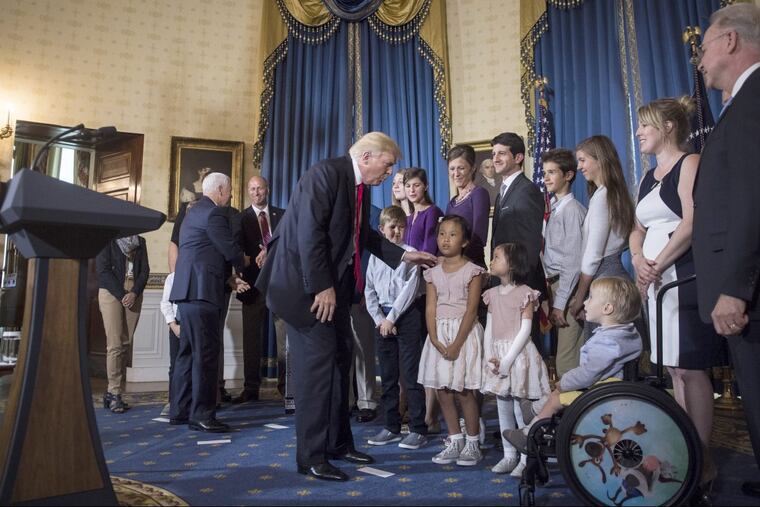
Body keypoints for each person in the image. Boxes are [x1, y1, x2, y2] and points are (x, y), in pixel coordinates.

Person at [255, 132, 437, 482]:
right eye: (387, 165)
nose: (390, 174)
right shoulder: (324, 174)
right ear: (367, 157)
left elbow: (361, 234)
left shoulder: (359, 185)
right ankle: (311, 456)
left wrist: (404, 254)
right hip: (303, 290)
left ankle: (338, 444)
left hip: (330, 288)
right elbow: (309, 234)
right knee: (317, 372)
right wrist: (321, 286)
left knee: (340, 361)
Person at [630, 96, 723, 490]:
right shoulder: (648, 175)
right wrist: (637, 258)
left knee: (690, 368)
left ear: (668, 126)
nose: (638, 134)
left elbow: (690, 221)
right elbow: (637, 228)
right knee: (671, 369)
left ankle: (704, 459)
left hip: (683, 276)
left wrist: (659, 263)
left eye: (645, 126)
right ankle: (686, 449)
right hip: (655, 283)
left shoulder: (691, 163)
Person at [692, 3, 760, 499]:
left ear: (731, 42)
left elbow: (753, 202)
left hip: (750, 291)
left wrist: (735, 287)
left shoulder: (755, 100)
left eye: (705, 47)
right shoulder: (743, 102)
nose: (700, 60)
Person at [503, 277, 643, 452]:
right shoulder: (626, 333)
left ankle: (528, 434)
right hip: (607, 386)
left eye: (590, 298)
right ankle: (532, 409)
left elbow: (588, 374)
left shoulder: (607, 342)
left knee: (557, 395)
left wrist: (564, 382)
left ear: (607, 308)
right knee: (561, 387)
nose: (585, 302)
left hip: (601, 391)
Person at [169, 172, 248, 433]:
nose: (232, 195)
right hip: (202, 292)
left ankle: (180, 410)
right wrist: (246, 261)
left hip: (187, 292)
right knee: (205, 354)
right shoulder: (214, 214)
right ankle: (202, 414)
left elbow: (207, 251)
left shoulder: (193, 212)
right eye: (230, 190)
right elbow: (228, 249)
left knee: (187, 353)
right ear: (221, 190)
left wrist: (229, 277)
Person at [417, 215, 485, 466]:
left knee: (464, 390)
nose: (446, 239)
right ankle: (454, 438)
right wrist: (433, 337)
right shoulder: (432, 273)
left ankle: (473, 442)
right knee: (442, 390)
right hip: (439, 335)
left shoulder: (473, 271)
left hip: (463, 335)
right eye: (442, 233)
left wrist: (457, 343)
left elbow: (471, 310)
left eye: (453, 234)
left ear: (465, 241)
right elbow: (430, 308)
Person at [482, 243, 550, 476]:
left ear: (512, 264)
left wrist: (508, 359)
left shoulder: (525, 293)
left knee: (520, 408)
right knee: (502, 405)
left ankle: (525, 456)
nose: (491, 261)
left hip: (517, 356)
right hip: (498, 355)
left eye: (497, 257)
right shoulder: (491, 294)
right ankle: (508, 455)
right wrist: (489, 355)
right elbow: (489, 328)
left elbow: (526, 329)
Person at [365, 205, 427, 450]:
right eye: (392, 227)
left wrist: (392, 318)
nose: (397, 231)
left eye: (402, 227)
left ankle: (418, 428)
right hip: (382, 320)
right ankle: (391, 426)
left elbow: (410, 292)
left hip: (406, 316)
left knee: (411, 376)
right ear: (381, 230)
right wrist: (380, 319)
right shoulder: (374, 256)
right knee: (388, 377)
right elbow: (369, 291)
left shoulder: (412, 254)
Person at [567, 136, 636, 337]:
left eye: (583, 160)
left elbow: (593, 255)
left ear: (600, 160)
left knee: (605, 355)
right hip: (614, 276)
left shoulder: (602, 197)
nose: (579, 167)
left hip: (604, 278)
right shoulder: (614, 194)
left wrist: (580, 297)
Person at [490, 133, 547, 357]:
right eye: (494, 154)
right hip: (504, 282)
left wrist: (518, 285)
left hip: (519, 283)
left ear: (519, 157)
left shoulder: (527, 191)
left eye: (502, 153)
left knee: (525, 348)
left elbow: (530, 244)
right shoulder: (502, 192)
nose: (495, 158)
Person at [234, 175, 285, 404]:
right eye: (252, 189)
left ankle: (286, 387)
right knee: (251, 340)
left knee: (284, 340)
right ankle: (250, 388)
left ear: (268, 189)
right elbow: (235, 251)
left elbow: (288, 245)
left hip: (280, 285)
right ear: (248, 191)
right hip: (252, 286)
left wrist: (270, 250)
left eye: (260, 189)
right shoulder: (240, 218)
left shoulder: (281, 215)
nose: (256, 193)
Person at [541, 149, 587, 376]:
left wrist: (560, 302)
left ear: (568, 175)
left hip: (567, 288)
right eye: (544, 173)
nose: (546, 178)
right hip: (553, 285)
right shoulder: (552, 208)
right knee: (565, 356)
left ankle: (572, 410)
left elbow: (572, 261)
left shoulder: (573, 211)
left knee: (567, 361)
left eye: (552, 172)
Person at [96, 235, 149, 413]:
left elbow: (144, 271)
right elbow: (103, 270)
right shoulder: (107, 239)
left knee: (126, 344)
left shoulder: (140, 242)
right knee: (115, 344)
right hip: (111, 291)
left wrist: (134, 292)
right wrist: (122, 294)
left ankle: (114, 392)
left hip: (134, 292)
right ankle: (114, 392)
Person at [445, 144, 490, 268]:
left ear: (473, 168)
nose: (456, 173)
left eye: (461, 168)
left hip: (472, 265)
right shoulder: (451, 203)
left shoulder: (479, 194)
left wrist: (460, 262)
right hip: (452, 266)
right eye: (452, 168)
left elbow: (479, 235)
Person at [404, 168, 443, 255]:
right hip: (410, 267)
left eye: (416, 185)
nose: (412, 190)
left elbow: (429, 249)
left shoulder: (432, 212)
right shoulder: (409, 218)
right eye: (408, 186)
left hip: (426, 266)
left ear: (426, 186)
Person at [159, 271, 179, 418]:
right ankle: (173, 401)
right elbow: (166, 303)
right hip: (177, 325)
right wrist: (173, 325)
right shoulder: (172, 277)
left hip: (197, 323)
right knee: (176, 365)